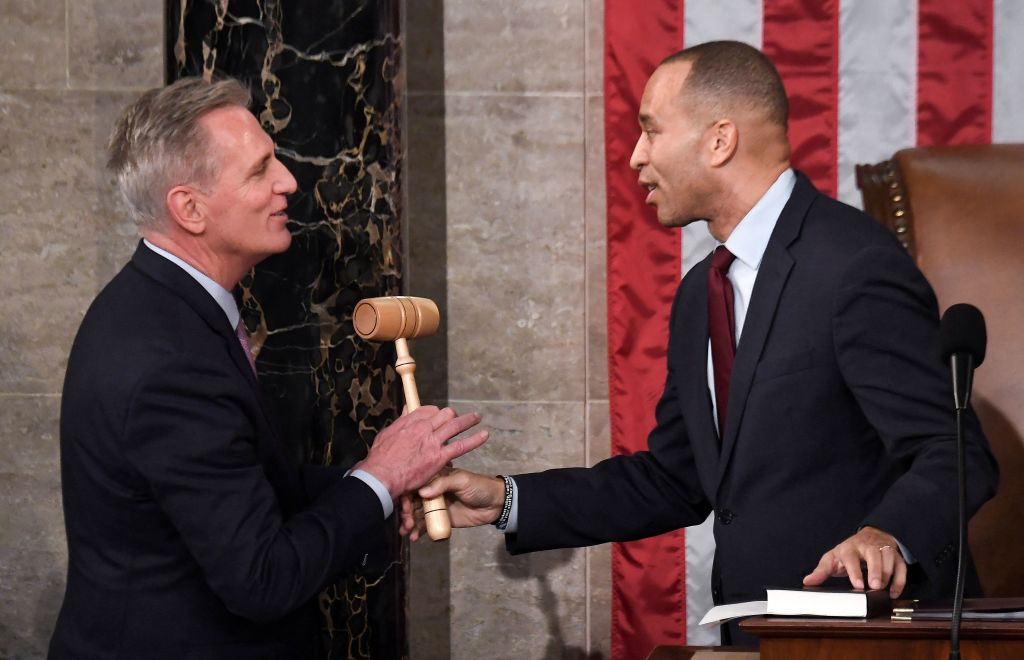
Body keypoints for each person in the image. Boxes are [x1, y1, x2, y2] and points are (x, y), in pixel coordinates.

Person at [402, 41, 998, 646]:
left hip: (872, 646)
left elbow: (956, 453)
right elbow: (673, 480)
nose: (635, 157)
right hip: (759, 639)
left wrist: (886, 534)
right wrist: (505, 499)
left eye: (651, 131)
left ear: (719, 140)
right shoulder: (700, 292)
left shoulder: (853, 266)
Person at [49, 77, 488, 659]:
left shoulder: (168, 307)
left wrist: (389, 480)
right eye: (260, 170)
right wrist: (378, 480)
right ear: (190, 208)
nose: (289, 180)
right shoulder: (167, 359)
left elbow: (244, 484)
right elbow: (262, 578)